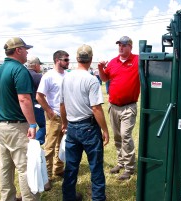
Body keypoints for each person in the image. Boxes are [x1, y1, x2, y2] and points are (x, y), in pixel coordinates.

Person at [0, 37, 40, 200]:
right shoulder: (19, 70)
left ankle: (7, 197)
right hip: (17, 126)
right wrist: (32, 123)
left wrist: (2, 108)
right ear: (18, 50)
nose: (27, 52)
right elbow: (24, 99)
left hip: (1, 125)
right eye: (25, 49)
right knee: (25, 167)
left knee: (5, 166)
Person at [60, 44, 109, 201]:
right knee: (95, 167)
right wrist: (105, 130)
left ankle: (68, 197)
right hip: (88, 127)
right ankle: (98, 198)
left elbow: (62, 104)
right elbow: (96, 108)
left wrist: (64, 123)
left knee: (71, 167)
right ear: (91, 59)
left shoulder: (66, 77)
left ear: (77, 58)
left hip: (72, 126)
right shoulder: (91, 80)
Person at [98, 36, 140, 180]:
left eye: (124, 45)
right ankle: (120, 163)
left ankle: (129, 168)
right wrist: (100, 68)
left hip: (129, 107)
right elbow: (104, 79)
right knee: (117, 136)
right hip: (114, 106)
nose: (120, 48)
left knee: (125, 136)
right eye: (119, 45)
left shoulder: (137, 60)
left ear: (130, 47)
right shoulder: (113, 62)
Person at [36, 50, 69, 186]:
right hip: (54, 117)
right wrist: (50, 111)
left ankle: (58, 169)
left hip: (66, 117)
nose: (68, 62)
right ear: (57, 60)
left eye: (68, 60)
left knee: (61, 145)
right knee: (49, 147)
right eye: (65, 60)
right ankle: (46, 177)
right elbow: (39, 96)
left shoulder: (67, 75)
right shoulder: (48, 76)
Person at [27, 56, 46, 145]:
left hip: (24, 105)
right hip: (36, 105)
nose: (40, 67)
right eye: (39, 65)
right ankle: (37, 143)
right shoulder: (38, 76)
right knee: (43, 126)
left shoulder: (22, 74)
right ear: (35, 65)